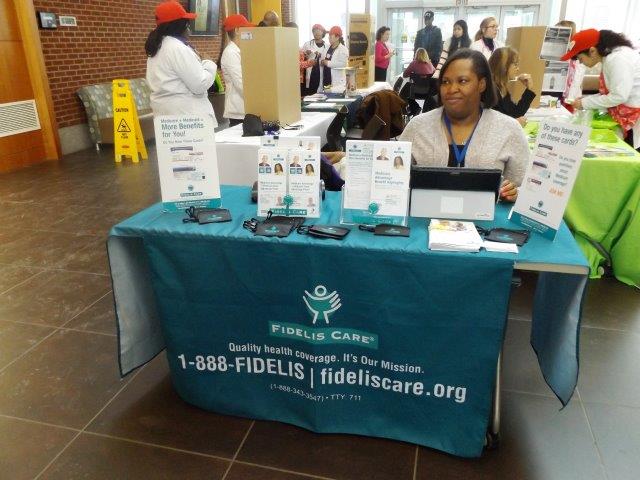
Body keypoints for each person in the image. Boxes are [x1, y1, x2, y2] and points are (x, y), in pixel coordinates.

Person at [399, 49, 528, 201]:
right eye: (446, 82)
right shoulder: (417, 127)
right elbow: (395, 178)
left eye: (463, 81)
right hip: (424, 214)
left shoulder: (509, 129)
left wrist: (515, 193)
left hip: (484, 216)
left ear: (482, 84)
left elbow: (526, 188)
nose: (452, 89)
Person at [564, 29, 640, 148]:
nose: (581, 63)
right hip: (628, 112)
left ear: (592, 51)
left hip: (633, 115)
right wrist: (584, 100)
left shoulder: (617, 59)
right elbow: (612, 92)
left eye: (581, 59)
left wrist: (584, 103)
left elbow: (618, 96)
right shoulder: (611, 58)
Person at [145, 1, 217, 126]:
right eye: (187, 25)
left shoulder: (158, 47)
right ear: (179, 26)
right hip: (187, 120)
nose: (189, 29)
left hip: (167, 117)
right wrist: (208, 63)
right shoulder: (177, 48)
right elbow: (199, 85)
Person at [221, 14, 254, 127]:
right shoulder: (231, 53)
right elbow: (241, 83)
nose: (249, 32)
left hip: (245, 109)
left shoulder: (239, 50)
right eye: (246, 28)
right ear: (237, 30)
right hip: (238, 111)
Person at [488, 47, 535, 125]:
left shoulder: (502, 88)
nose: (518, 69)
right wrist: (514, 123)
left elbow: (516, 113)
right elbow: (491, 123)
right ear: (504, 66)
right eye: (515, 64)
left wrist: (529, 89)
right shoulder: (490, 91)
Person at [555, 20, 585, 111]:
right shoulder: (558, 51)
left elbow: (578, 79)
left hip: (571, 96)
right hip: (558, 92)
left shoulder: (578, 54)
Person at [302, 24, 328, 94]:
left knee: (320, 93)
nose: (317, 32)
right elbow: (300, 58)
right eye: (315, 31)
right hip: (310, 74)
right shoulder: (307, 44)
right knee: (309, 93)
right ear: (313, 33)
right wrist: (306, 54)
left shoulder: (327, 46)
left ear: (322, 32)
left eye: (319, 30)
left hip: (322, 73)